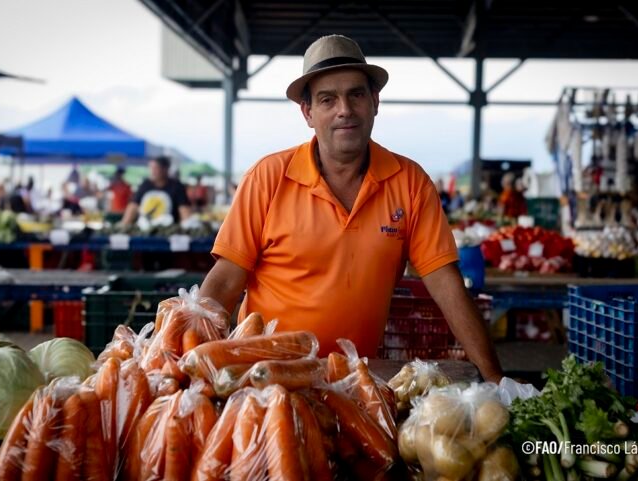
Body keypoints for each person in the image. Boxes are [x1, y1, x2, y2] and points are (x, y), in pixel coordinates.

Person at [199, 34, 503, 382]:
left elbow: (446, 285)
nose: (344, 110)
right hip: (266, 379)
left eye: (355, 94)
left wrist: (495, 377)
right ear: (308, 112)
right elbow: (224, 281)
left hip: (358, 381)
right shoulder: (267, 177)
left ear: (375, 101)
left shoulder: (410, 182)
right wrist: (187, 362)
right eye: (328, 99)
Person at [121, 156, 191, 226]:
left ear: (165, 169)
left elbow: (184, 209)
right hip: (145, 228)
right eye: (151, 168)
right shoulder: (145, 185)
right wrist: (124, 224)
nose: (152, 171)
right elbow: (133, 205)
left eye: (156, 168)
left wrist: (187, 225)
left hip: (167, 229)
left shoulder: (177, 186)